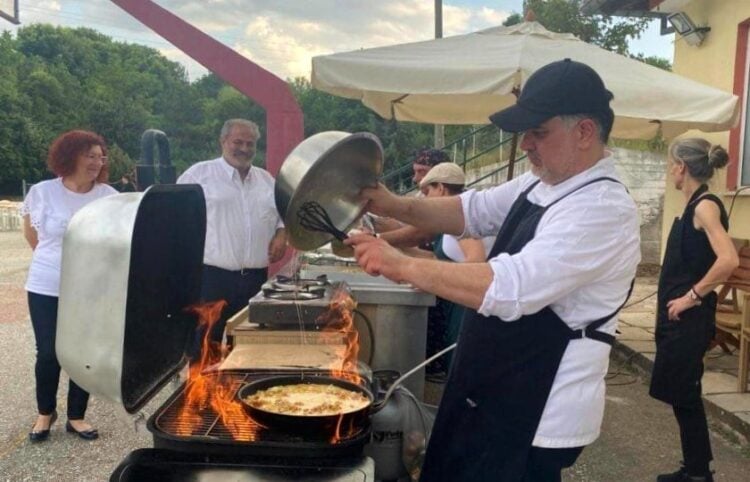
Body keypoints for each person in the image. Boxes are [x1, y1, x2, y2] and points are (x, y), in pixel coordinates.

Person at [346, 59, 640, 481]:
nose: (525, 145)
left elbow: (510, 285)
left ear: (585, 132)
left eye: (538, 132)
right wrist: (392, 203)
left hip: (539, 414)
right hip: (497, 391)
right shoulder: (542, 183)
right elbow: (472, 210)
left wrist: (402, 264)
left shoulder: (602, 209)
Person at [650, 139, 738, 482]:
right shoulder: (693, 206)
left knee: (684, 393)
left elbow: (728, 259)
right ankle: (696, 469)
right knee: (682, 394)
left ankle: (698, 474)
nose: (670, 169)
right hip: (677, 318)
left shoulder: (704, 207)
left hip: (689, 318)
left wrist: (691, 297)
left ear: (682, 167)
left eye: (672, 163)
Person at [21, 130, 118, 442]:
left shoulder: (108, 196)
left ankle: (77, 415)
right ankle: (45, 412)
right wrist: (58, 264)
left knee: (82, 352)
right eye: (89, 155)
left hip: (90, 289)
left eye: (100, 156)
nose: (96, 162)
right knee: (48, 352)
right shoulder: (42, 192)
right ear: (70, 155)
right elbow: (32, 236)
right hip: (45, 285)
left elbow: (117, 243)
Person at [177, 119, 286, 354]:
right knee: (206, 343)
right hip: (213, 277)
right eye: (238, 142)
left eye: (250, 144)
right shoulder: (199, 175)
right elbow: (176, 217)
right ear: (223, 141)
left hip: (256, 280)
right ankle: (202, 391)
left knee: (248, 344)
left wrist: (281, 234)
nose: (244, 149)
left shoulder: (267, 181)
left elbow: (283, 215)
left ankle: (239, 389)